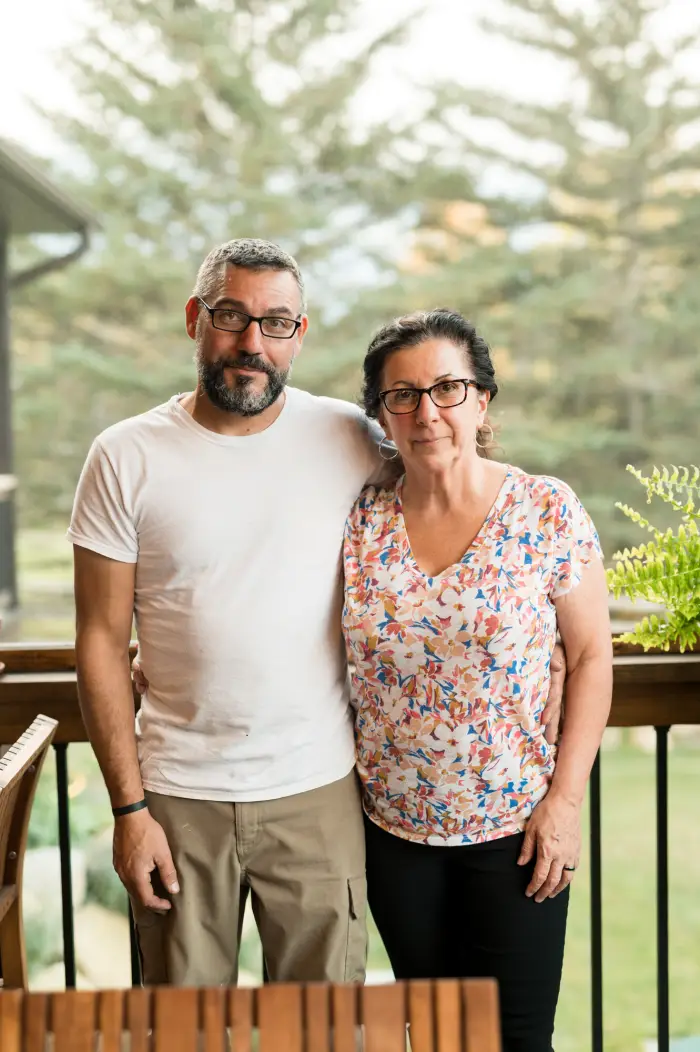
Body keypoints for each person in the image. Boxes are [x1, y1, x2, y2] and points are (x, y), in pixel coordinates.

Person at [69, 238, 565, 987]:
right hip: (177, 796)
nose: (250, 341)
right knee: (179, 1030)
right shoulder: (124, 456)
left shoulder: (348, 437)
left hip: (319, 791)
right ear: (194, 319)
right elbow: (101, 644)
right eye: (231, 316)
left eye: (275, 323)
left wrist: (549, 642)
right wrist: (130, 809)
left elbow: (452, 484)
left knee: (326, 1028)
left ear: (299, 337)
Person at [342, 309, 612, 1051]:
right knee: (432, 1039)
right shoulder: (359, 520)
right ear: (382, 415)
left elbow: (591, 656)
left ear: (482, 400)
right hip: (393, 835)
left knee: (517, 1040)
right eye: (403, 395)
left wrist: (564, 802)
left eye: (448, 388)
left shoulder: (544, 510)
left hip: (516, 836)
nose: (427, 411)